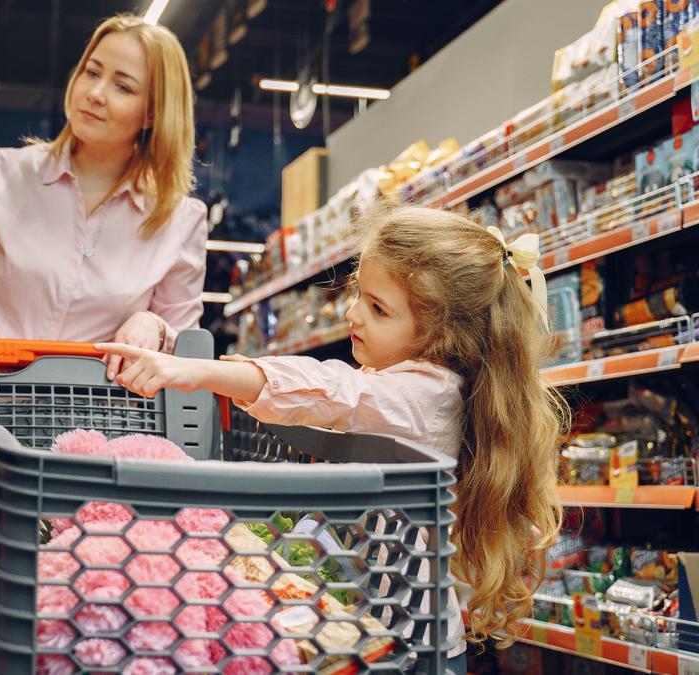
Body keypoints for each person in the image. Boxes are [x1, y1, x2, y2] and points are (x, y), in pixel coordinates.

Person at [96, 205, 569, 674]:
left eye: (378, 308)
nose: (352, 313)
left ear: (444, 336)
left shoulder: (428, 394)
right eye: (358, 294)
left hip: (411, 648)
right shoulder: (408, 378)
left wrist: (198, 371)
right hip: (380, 627)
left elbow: (334, 390)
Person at [0, 14, 207, 380]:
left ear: (153, 114)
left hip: (100, 425)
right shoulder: (0, 175)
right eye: (92, 72)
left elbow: (186, 352)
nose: (95, 93)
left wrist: (155, 326)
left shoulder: (180, 219)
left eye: (122, 87)